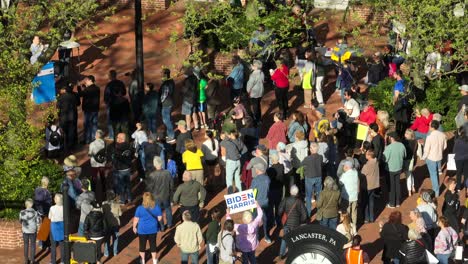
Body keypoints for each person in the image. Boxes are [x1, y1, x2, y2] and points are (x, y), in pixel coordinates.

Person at [278, 185, 307, 258]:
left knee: (285, 238)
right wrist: (300, 221)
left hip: (286, 223)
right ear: (297, 193)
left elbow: (279, 211)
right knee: (295, 238)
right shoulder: (300, 202)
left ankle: (281, 253)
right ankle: (294, 253)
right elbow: (304, 216)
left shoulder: (285, 200)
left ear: (290, 192)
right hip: (296, 224)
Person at [133, 192, 162, 264]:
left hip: (142, 230)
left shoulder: (139, 208)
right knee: (153, 245)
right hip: (153, 229)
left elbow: (136, 219)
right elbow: (159, 218)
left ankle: (142, 260)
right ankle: (154, 260)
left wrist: (134, 227)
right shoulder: (157, 207)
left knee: (142, 245)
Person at [145, 156, 174, 230]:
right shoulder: (167, 173)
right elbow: (171, 185)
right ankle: (169, 224)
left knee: (158, 212)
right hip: (166, 195)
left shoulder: (152, 175)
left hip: (156, 197)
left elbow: (149, 188)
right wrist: (171, 196)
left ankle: (161, 226)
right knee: (168, 209)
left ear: (154, 165)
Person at [422, 120, 447, 196]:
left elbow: (426, 150)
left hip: (431, 158)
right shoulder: (443, 135)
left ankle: (436, 192)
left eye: (429, 125)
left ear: (432, 127)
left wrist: (423, 158)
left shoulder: (430, 136)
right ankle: (437, 190)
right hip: (439, 156)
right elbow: (445, 146)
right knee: (436, 174)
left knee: (433, 175)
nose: (429, 127)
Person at [250, 163, 271, 243]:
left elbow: (251, 191)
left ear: (258, 170)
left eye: (256, 169)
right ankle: (266, 236)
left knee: (256, 221)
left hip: (256, 203)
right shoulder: (267, 178)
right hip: (265, 202)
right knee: (265, 220)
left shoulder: (255, 180)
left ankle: (257, 238)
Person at [384, 131, 406, 208]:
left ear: (391, 138)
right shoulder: (402, 145)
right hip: (399, 168)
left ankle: (392, 203)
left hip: (391, 169)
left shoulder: (389, 147)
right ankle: (397, 202)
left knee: (392, 186)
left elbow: (385, 159)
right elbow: (404, 155)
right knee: (398, 184)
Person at [111, 133, 134, 204]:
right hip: (127, 169)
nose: (116, 138)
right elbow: (132, 155)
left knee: (121, 186)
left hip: (120, 170)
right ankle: (130, 198)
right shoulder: (129, 146)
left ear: (121, 139)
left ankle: (123, 200)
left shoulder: (117, 148)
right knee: (128, 184)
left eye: (118, 137)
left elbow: (114, 159)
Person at [77, 75, 100, 144]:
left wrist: (78, 86)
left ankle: (87, 140)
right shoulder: (97, 88)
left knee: (87, 125)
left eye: (86, 80)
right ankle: (94, 139)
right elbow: (87, 93)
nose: (85, 82)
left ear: (90, 80)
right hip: (95, 109)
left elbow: (80, 94)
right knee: (94, 124)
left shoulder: (88, 89)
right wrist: (85, 87)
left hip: (88, 110)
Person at [104, 70, 126, 140]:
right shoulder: (120, 83)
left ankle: (112, 135)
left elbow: (106, 95)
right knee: (120, 120)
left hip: (111, 104)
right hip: (120, 104)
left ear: (110, 76)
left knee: (111, 121)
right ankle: (120, 135)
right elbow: (124, 92)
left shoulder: (109, 85)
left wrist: (107, 102)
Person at [302, 142, 323, 217]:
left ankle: (308, 213)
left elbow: (302, 165)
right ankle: (319, 211)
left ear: (311, 149)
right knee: (319, 194)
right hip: (318, 177)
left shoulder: (307, 158)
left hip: (309, 177)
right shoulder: (320, 157)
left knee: (308, 195)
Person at [57, 84, 80, 151]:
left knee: (63, 132)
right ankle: (71, 147)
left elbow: (58, 108)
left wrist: (59, 116)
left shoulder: (60, 97)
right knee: (71, 132)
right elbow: (78, 103)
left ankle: (64, 146)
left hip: (63, 117)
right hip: (72, 117)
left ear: (65, 90)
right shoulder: (74, 96)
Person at [20, 198, 40, 264]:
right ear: (31, 205)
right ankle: (32, 260)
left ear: (26, 204)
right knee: (33, 245)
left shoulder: (22, 212)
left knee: (26, 245)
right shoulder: (35, 212)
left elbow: (20, 221)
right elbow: (38, 221)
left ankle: (26, 260)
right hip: (33, 230)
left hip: (25, 230)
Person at [88, 129, 106, 203]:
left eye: (96, 134)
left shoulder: (92, 144)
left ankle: (93, 194)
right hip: (102, 163)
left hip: (94, 163)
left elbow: (90, 153)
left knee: (94, 178)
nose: (95, 135)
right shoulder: (104, 143)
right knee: (102, 177)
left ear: (97, 136)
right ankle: (104, 192)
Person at [361, 150, 380, 223]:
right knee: (371, 201)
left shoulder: (367, 165)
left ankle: (366, 218)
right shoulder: (376, 162)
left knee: (366, 202)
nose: (365, 155)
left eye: (366, 154)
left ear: (369, 156)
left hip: (367, 185)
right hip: (374, 184)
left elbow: (362, 174)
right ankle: (372, 218)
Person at [102, 191, 122, 258]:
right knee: (115, 238)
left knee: (107, 239)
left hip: (107, 224)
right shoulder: (117, 204)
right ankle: (115, 252)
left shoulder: (104, 204)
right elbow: (120, 214)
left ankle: (106, 253)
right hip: (115, 224)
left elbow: (102, 213)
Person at [267, 153, 285, 226]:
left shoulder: (269, 169)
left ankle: (272, 222)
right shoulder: (281, 166)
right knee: (278, 206)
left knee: (271, 206)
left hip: (272, 190)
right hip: (279, 189)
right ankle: (278, 221)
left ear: (272, 160)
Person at [246, 60, 264, 125]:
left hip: (254, 93)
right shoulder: (262, 73)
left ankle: (257, 120)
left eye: (253, 65)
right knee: (258, 105)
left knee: (255, 107)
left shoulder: (253, 75)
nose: (252, 66)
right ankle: (259, 118)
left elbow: (249, 85)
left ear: (256, 67)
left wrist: (247, 91)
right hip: (260, 92)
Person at [160, 68, 176, 142]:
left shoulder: (166, 83)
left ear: (165, 74)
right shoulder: (171, 81)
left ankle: (171, 136)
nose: (161, 74)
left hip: (166, 104)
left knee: (166, 120)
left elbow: (164, 94)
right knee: (168, 119)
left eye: (162, 73)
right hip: (170, 102)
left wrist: (160, 101)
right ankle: (169, 134)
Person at [49, 193, 64, 264]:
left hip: (54, 227)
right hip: (62, 226)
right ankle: (63, 261)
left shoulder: (52, 208)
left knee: (53, 246)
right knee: (62, 245)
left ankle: (53, 262)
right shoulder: (64, 207)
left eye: (55, 198)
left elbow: (49, 217)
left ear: (55, 200)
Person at [392, 70, 408, 137]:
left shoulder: (398, 84)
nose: (393, 75)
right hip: (405, 103)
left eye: (394, 74)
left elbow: (396, 95)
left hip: (399, 103)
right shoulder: (405, 82)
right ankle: (403, 134)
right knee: (404, 120)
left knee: (398, 120)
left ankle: (398, 135)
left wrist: (393, 102)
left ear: (398, 75)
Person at [403, 129, 418, 197]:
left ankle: (409, 191)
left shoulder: (405, 142)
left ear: (410, 135)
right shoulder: (415, 141)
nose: (405, 134)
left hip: (406, 161)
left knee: (408, 176)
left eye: (406, 133)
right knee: (411, 174)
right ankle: (413, 187)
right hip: (412, 160)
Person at [454, 124, 468, 191]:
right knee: (466, 172)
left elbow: (454, 150)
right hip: (466, 158)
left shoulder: (457, 141)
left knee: (458, 172)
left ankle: (458, 187)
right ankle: (466, 185)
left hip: (459, 159)